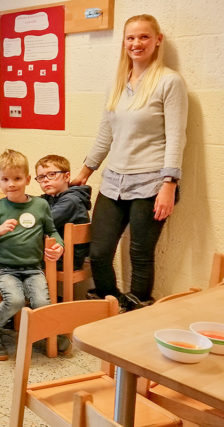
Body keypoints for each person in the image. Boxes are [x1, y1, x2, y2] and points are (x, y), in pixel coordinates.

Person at [71, 14, 188, 311]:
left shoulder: (169, 81)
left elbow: (176, 136)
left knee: (140, 255)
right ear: (124, 43)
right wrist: (84, 171)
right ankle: (112, 303)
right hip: (113, 180)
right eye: (131, 38)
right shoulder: (118, 85)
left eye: (144, 37)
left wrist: (169, 185)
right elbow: (104, 134)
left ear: (157, 40)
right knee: (98, 252)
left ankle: (135, 313)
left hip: (152, 182)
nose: (137, 43)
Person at [0, 149, 63, 360]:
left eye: (17, 178)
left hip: (33, 267)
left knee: (42, 303)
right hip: (4, 269)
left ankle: (49, 332)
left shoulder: (40, 205)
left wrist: (59, 246)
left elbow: (52, 231)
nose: (11, 184)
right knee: (15, 300)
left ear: (27, 179)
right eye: (5, 179)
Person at [35, 155, 91, 270]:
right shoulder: (49, 198)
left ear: (67, 177)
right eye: (41, 177)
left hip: (67, 259)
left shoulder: (71, 201)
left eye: (51, 174)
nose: (45, 180)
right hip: (56, 253)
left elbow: (43, 222)